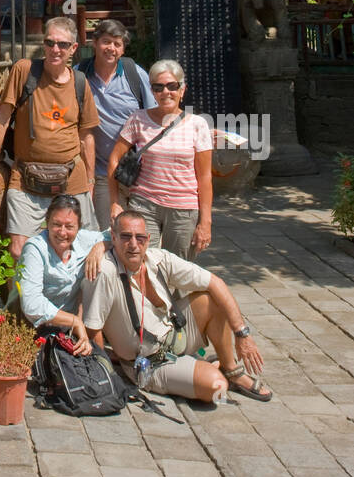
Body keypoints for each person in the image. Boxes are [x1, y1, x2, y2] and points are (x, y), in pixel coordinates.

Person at [82, 209, 272, 403]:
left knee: (212, 298)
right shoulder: (105, 271)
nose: (133, 244)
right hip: (151, 363)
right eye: (126, 237)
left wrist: (242, 334)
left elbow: (215, 282)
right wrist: (106, 373)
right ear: (113, 238)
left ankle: (231, 370)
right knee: (217, 388)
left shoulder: (158, 258)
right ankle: (209, 369)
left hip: (176, 335)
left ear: (148, 239)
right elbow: (92, 328)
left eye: (140, 238)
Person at [0, 16, 100, 260]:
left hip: (71, 176)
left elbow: (86, 137)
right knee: (20, 250)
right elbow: (2, 118)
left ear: (73, 48)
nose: (55, 49)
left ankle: (68, 298)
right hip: (26, 176)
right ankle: (25, 299)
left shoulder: (80, 83)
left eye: (62, 44)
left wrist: (91, 181)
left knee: (81, 250)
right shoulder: (25, 71)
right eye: (50, 42)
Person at [107, 59, 213, 259]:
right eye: (159, 87)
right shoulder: (138, 119)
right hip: (144, 204)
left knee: (179, 269)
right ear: (152, 91)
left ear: (182, 89)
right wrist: (114, 202)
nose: (166, 92)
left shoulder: (198, 124)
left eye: (172, 86)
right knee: (141, 261)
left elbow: (205, 176)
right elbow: (114, 159)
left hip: (183, 208)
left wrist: (205, 222)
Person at [76, 19, 155, 230]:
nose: (111, 48)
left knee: (139, 234)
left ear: (123, 49)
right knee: (107, 232)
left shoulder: (134, 74)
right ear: (95, 43)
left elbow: (155, 115)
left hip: (137, 170)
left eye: (117, 44)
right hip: (101, 173)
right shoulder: (79, 75)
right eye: (106, 42)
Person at [17, 194, 109, 354]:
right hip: (38, 327)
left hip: (72, 328)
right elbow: (32, 304)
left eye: (69, 226)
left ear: (79, 226)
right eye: (56, 225)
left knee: (108, 267)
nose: (62, 232)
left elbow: (115, 235)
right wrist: (74, 321)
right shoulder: (34, 248)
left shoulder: (84, 240)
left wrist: (101, 246)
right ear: (46, 222)